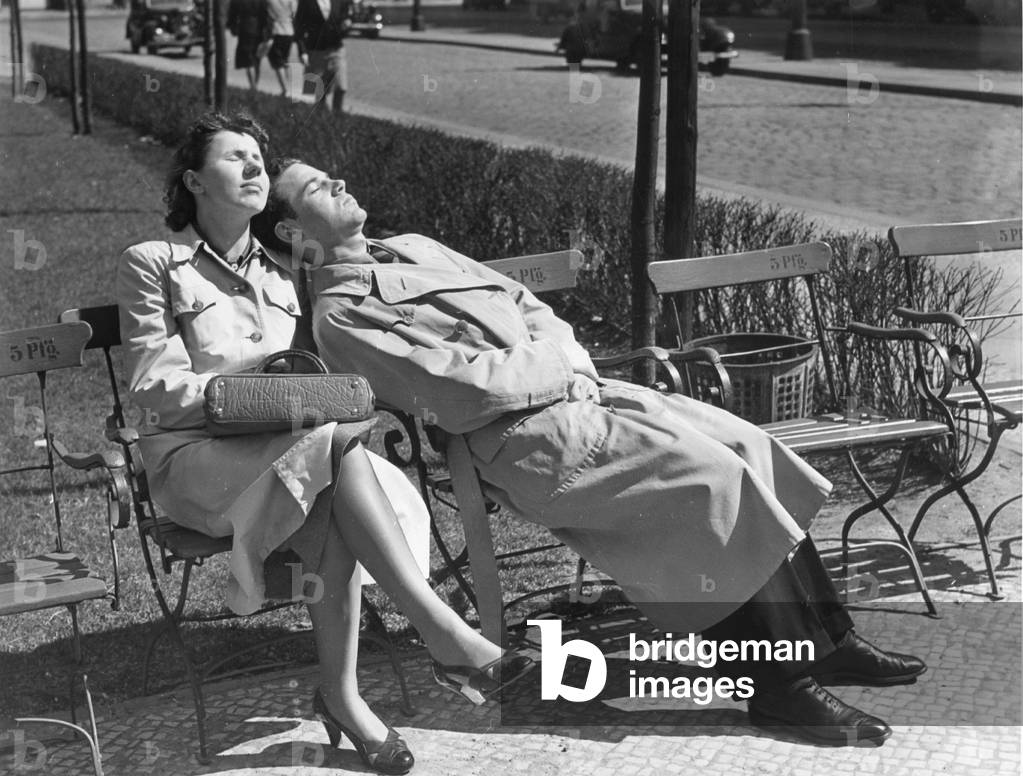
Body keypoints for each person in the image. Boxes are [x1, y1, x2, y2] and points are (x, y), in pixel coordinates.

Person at [252, 158, 930, 748]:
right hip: (527, 439)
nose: (335, 182)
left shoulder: (410, 247)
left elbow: (522, 301)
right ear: (289, 231)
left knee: (749, 445)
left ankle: (828, 640)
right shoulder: (341, 315)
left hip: (581, 392)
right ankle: (779, 685)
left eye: (329, 175)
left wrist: (564, 356)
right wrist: (557, 368)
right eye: (314, 187)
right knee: (713, 480)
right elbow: (457, 391)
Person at [116, 114, 531, 776]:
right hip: (194, 461)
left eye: (259, 156)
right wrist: (260, 392)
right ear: (193, 181)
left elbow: (327, 369)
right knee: (333, 459)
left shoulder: (289, 271)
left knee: (329, 480)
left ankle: (347, 697)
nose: (255, 166)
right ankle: (444, 635)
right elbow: (153, 386)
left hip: (301, 451)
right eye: (235, 157)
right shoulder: (154, 264)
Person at [293, 0, 351, 114]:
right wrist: (302, 51)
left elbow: (346, 16)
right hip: (316, 50)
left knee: (341, 86)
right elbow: (299, 26)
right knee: (319, 90)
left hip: (336, 49)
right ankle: (321, 115)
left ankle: (337, 114)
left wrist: (347, 23)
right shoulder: (306, 2)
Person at [228, 0, 270, 90]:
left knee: (248, 59)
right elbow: (266, 15)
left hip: (244, 29)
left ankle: (253, 86)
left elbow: (232, 13)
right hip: (258, 30)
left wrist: (233, 27)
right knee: (257, 59)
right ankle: (255, 85)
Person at [265, 0, 302, 96]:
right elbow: (295, 15)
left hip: (276, 31)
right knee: (285, 60)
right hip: (289, 31)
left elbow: (266, 14)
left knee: (277, 62)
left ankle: (285, 89)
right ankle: (289, 87)